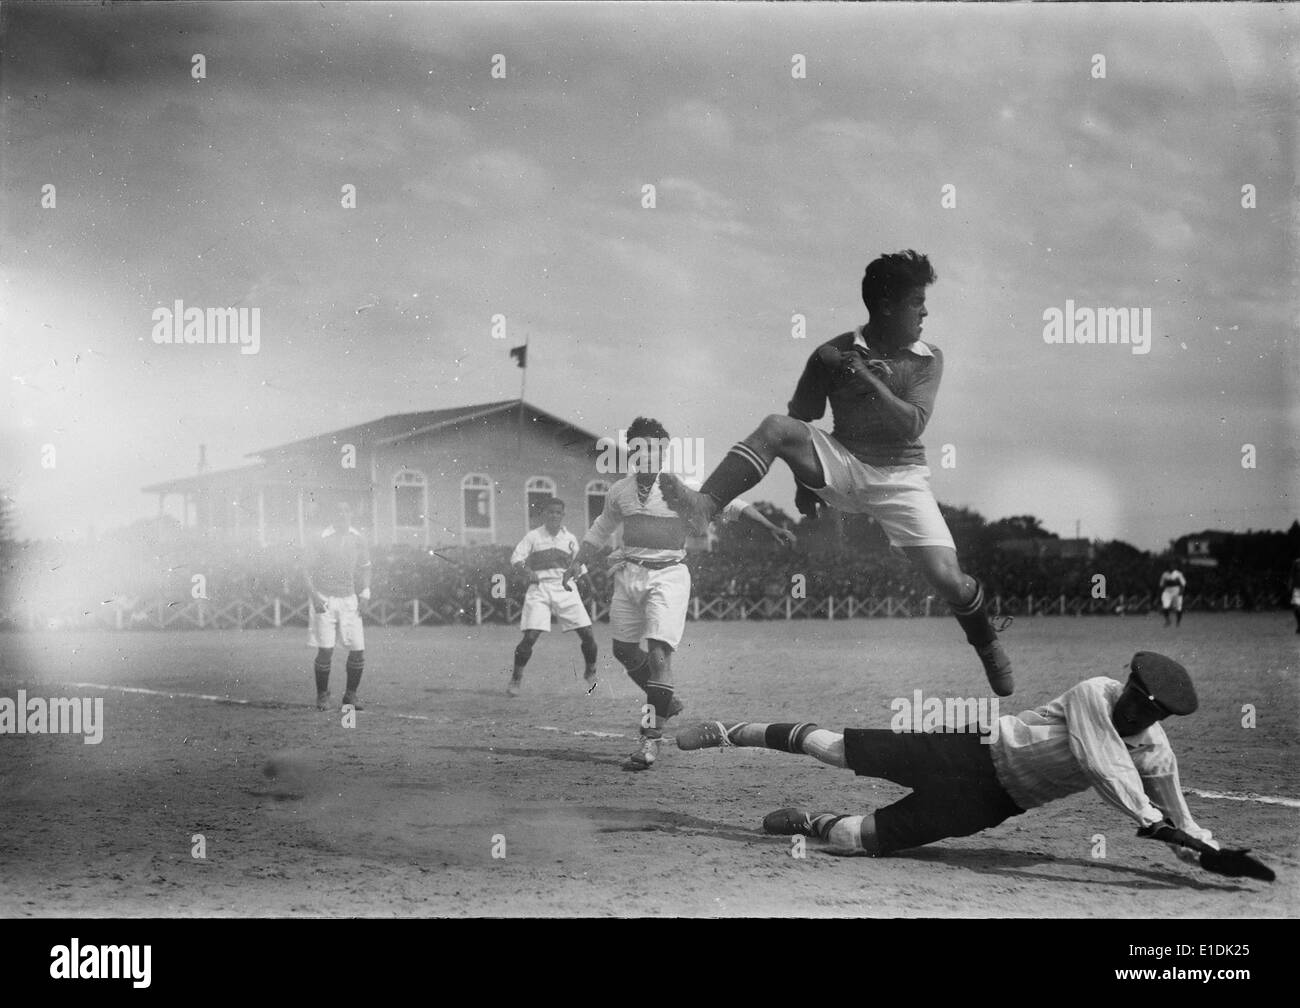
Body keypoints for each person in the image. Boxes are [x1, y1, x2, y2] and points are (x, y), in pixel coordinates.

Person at [659, 250, 1013, 695]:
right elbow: (799, 421)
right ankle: (706, 504)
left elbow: (912, 424)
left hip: (900, 479)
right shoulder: (832, 352)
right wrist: (804, 484)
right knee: (773, 426)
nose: (925, 311)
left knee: (950, 580)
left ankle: (987, 645)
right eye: (916, 302)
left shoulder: (927, 358)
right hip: (843, 463)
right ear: (886, 306)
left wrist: (866, 378)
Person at [676, 653, 1234, 864]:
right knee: (836, 749)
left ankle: (810, 820)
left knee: (859, 840)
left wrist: (1200, 848)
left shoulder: (1155, 751)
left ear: (1159, 718)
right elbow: (1102, 766)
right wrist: (1151, 823)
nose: (1135, 714)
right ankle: (730, 731)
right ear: (1128, 684)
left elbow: (1181, 814)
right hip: (969, 749)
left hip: (996, 800)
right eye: (1134, 700)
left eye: (1146, 713)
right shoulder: (1096, 693)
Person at [567, 416, 795, 771]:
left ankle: (649, 740)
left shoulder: (683, 488)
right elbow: (601, 529)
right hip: (628, 574)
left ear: (663, 452)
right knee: (624, 651)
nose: (648, 456)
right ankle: (666, 701)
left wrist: (769, 526)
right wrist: (576, 561)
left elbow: (732, 505)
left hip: (668, 576)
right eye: (639, 449)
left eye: (655, 449)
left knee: (659, 657)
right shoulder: (619, 492)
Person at [507, 497, 598, 697]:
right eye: (550, 512)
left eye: (558, 512)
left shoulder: (570, 538)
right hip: (539, 588)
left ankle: (590, 670)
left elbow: (579, 566)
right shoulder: (533, 536)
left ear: (562, 515)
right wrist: (527, 571)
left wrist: (590, 587)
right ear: (543, 514)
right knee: (530, 637)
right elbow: (516, 558)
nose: (554, 516)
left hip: (565, 587)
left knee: (588, 635)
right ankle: (516, 678)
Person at [303, 499, 371, 711]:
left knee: (358, 650)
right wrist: (314, 596)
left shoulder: (358, 538)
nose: (342, 515)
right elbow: (305, 570)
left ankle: (350, 695)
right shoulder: (320, 538)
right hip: (325, 599)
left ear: (351, 514)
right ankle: (322, 695)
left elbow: (367, 566)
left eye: (346, 510)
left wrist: (366, 592)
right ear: (332, 515)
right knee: (326, 650)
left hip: (350, 600)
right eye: (338, 511)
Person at [1159, 561, 1187, 627]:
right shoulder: (1165, 574)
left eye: (1173, 566)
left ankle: (1178, 622)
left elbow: (1183, 584)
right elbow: (1161, 585)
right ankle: (1167, 620)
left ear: (1175, 567)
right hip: (1167, 591)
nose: (1171, 567)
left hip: (1177, 591)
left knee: (1178, 608)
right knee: (1165, 606)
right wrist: (1166, 584)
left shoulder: (1179, 574)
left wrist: (1181, 592)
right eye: (1170, 566)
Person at [1289, 556, 1300, 634]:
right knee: (1296, 608)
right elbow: (1292, 575)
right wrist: (1290, 585)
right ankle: (1299, 625)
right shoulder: (1297, 562)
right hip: (1297, 588)